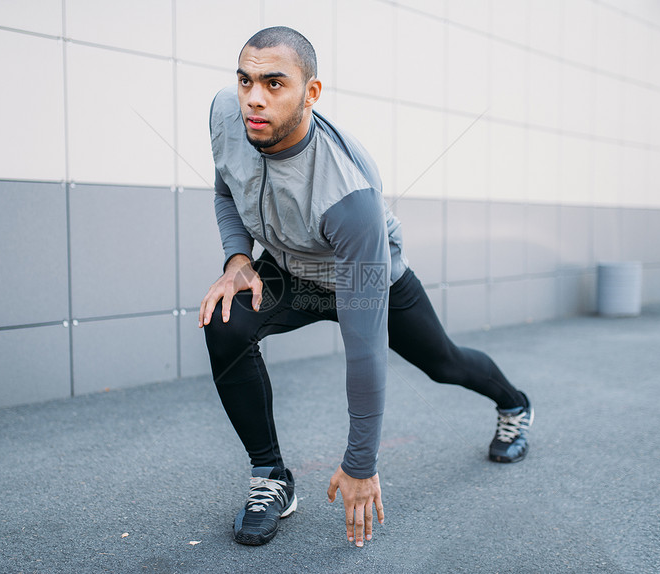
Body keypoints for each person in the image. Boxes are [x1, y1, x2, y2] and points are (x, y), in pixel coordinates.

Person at [198, 26, 533, 548]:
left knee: (443, 362)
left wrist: (360, 463)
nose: (254, 98)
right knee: (226, 320)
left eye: (274, 83)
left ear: (311, 94)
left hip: (367, 274)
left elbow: (364, 348)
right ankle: (271, 478)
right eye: (245, 80)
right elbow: (227, 187)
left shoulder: (349, 196)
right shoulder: (229, 113)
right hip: (291, 269)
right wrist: (239, 258)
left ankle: (514, 404)